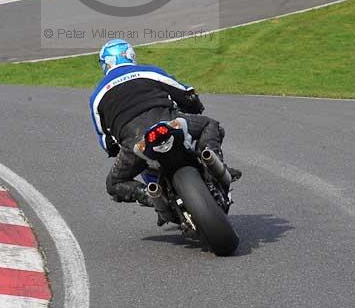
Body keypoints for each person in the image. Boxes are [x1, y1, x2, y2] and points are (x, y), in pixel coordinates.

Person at [89, 39, 241, 206]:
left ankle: (152, 197)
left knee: (114, 183)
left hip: (135, 142)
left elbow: (105, 140)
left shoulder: (97, 96)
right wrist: (195, 106)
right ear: (130, 56)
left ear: (106, 63)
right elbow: (185, 93)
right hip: (168, 123)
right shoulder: (149, 72)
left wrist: (115, 149)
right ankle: (215, 167)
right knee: (209, 125)